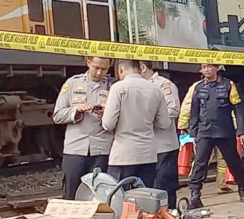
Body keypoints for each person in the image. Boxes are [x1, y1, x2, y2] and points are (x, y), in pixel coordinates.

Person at [188, 64, 244, 208]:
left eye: (210, 67)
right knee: (200, 163)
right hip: (204, 131)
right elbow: (194, 112)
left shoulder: (229, 85)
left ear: (216, 68)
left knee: (233, 162)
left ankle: (242, 188)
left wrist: (242, 131)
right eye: (204, 67)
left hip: (224, 131)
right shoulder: (198, 88)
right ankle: (195, 194)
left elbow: (238, 109)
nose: (206, 70)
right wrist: (192, 134)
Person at [102, 59, 171, 187]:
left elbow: (108, 123)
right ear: (139, 69)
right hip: (148, 154)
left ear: (120, 70)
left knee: (119, 198)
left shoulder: (118, 88)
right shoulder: (156, 89)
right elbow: (165, 123)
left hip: (123, 155)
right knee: (145, 198)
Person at [53, 57, 114, 199]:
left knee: (100, 195)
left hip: (102, 148)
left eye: (104, 69)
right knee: (70, 194)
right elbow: (57, 115)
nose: (99, 72)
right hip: (75, 148)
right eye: (96, 67)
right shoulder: (72, 83)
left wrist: (107, 113)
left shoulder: (114, 87)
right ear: (88, 62)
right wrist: (76, 110)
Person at [139, 61, 181, 208]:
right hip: (144, 147)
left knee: (165, 185)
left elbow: (173, 110)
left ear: (143, 67)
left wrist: (148, 120)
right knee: (148, 188)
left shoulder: (163, 85)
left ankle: (169, 215)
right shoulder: (137, 86)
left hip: (163, 146)